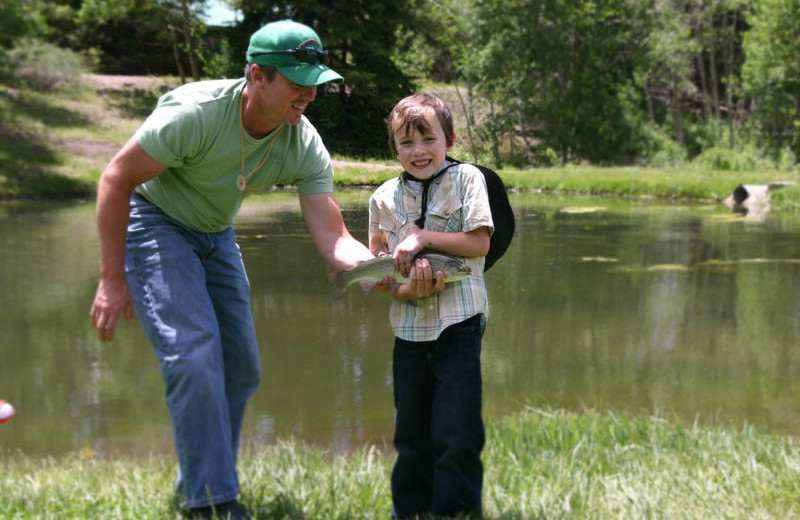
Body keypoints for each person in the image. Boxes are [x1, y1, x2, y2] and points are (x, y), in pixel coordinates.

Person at [89, 19, 373, 520]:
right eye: (296, 81)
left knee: (241, 367)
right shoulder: (196, 115)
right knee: (193, 356)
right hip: (154, 222)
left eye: (315, 82)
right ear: (258, 76)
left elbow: (335, 241)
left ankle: (199, 477)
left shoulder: (301, 143)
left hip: (215, 233)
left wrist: (379, 269)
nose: (309, 93)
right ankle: (212, 500)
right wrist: (113, 279)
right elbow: (115, 180)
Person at [368, 93, 493, 519]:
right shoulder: (382, 196)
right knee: (410, 432)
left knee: (457, 430)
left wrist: (423, 237)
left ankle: (456, 511)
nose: (418, 151)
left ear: (450, 139)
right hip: (406, 328)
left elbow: (479, 242)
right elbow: (378, 267)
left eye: (428, 139)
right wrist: (404, 291)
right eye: (406, 143)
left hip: (459, 323)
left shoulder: (468, 180)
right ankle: (410, 511)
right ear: (394, 148)